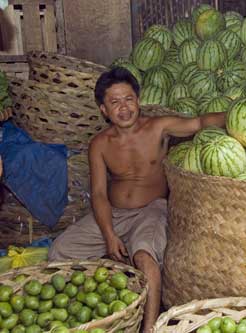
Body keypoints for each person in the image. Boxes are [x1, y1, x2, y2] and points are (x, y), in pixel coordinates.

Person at [48, 67, 226, 333]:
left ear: (138, 100)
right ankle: (91, 307)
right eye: (115, 102)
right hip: (115, 213)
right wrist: (108, 234)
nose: (124, 108)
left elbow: (198, 123)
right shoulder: (100, 143)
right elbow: (98, 193)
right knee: (59, 251)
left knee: (144, 258)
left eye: (129, 99)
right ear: (103, 110)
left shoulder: (159, 127)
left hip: (151, 210)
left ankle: (149, 327)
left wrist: (234, 115)